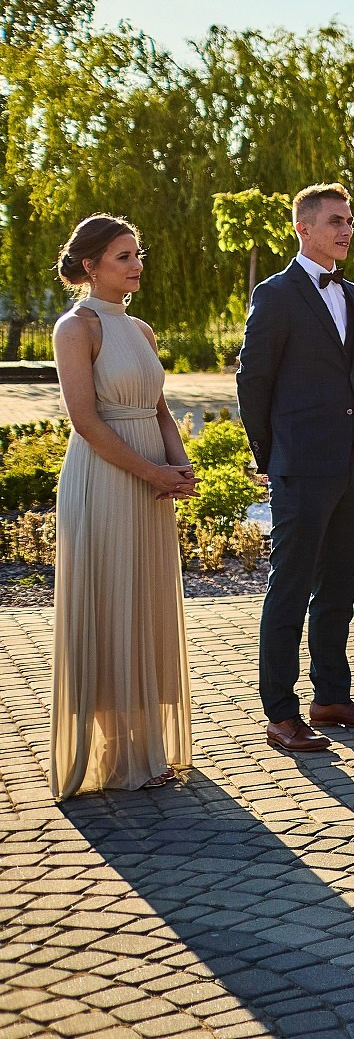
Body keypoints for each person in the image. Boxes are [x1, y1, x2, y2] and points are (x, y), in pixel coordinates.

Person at [237, 183, 354, 754]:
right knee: (291, 586)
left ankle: (330, 696)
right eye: (334, 220)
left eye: (349, 220)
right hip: (299, 464)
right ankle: (279, 710)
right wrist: (270, 457)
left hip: (352, 459)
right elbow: (252, 382)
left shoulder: (352, 294)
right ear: (303, 228)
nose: (345, 229)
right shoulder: (275, 294)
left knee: (340, 586)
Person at [47, 215, 196, 798]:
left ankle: (146, 745)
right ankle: (111, 752)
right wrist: (152, 470)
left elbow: (159, 410)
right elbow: (84, 421)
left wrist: (178, 467)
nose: (137, 265)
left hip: (152, 478)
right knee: (110, 594)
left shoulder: (143, 329)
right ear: (91, 266)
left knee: (146, 598)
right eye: (123, 256)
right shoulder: (74, 327)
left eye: (138, 254)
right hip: (105, 476)